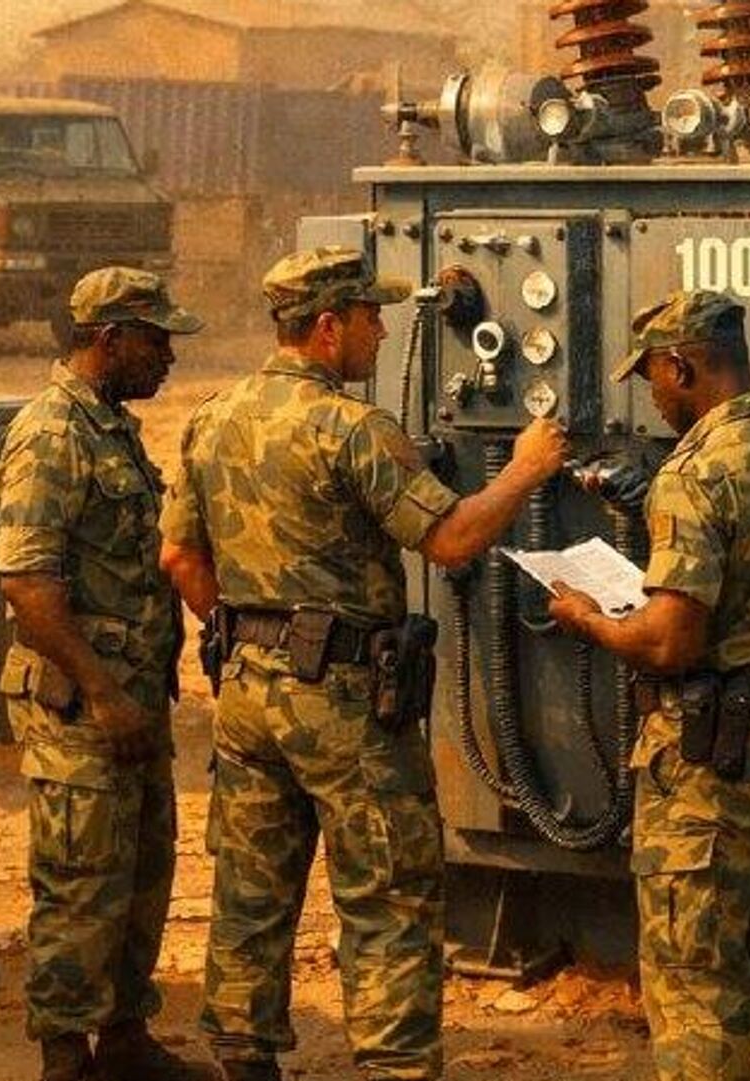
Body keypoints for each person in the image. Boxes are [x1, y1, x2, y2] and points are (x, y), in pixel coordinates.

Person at [158, 247, 569, 1081]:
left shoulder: (213, 417)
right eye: (369, 317)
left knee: (250, 890)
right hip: (343, 701)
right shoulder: (352, 429)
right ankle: (394, 1066)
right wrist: (526, 468)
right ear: (326, 326)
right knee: (387, 894)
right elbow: (450, 538)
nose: (381, 331)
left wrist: (250, 636)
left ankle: (243, 1058)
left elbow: (179, 558)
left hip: (246, 694)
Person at [547, 290, 750, 1081]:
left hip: (706, 764)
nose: (652, 395)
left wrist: (588, 617)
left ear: (682, 367)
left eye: (653, 375)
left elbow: (669, 640)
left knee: (696, 976)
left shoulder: (693, 475)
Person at [0, 266, 208, 1081]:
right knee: (80, 885)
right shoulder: (52, 434)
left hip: (130, 700)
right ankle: (65, 1057)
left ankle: (123, 1040)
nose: (169, 358)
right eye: (157, 341)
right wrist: (103, 690)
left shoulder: (109, 428)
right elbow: (28, 586)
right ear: (110, 339)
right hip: (83, 707)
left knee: (142, 874)